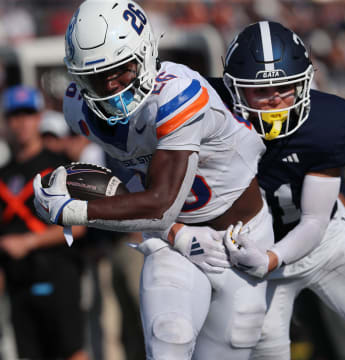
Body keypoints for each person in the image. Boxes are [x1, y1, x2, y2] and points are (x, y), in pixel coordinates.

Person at [33, 0, 275, 359]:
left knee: (228, 349)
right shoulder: (79, 110)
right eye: (96, 78)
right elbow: (133, 180)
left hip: (241, 235)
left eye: (120, 70)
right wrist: (177, 233)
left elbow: (161, 203)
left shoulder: (176, 92)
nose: (111, 87)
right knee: (167, 340)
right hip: (172, 237)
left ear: (145, 53)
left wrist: (76, 210)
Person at [206, 21, 345, 359]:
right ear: (235, 90)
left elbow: (314, 222)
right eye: (260, 91)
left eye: (285, 88)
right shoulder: (210, 114)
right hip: (249, 264)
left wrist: (271, 258)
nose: (275, 100)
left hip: (324, 247)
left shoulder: (328, 123)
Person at [0, 85, 89, 360]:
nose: (21, 123)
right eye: (15, 116)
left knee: (72, 350)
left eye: (28, 114)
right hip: (18, 283)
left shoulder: (60, 167)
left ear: (39, 117)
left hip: (58, 273)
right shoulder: (4, 174)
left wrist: (29, 241)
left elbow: (79, 225)